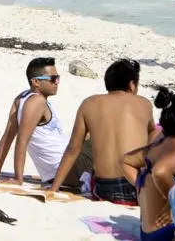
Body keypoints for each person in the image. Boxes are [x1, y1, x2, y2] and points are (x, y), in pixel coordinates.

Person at [49, 59, 156, 205]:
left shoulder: (89, 103)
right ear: (132, 84)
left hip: (104, 189)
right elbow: (153, 137)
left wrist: (54, 188)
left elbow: (73, 148)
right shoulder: (144, 104)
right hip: (136, 188)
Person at [0, 57, 92, 189]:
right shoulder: (36, 102)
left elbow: (8, 137)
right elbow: (22, 140)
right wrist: (18, 179)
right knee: (102, 131)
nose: (57, 82)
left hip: (65, 166)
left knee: (90, 135)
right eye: (53, 79)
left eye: (58, 78)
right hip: (66, 170)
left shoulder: (21, 98)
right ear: (36, 81)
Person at [122, 89, 175, 241]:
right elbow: (160, 172)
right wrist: (172, 202)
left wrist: (143, 186)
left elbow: (125, 161)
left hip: (147, 234)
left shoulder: (159, 145)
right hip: (169, 234)